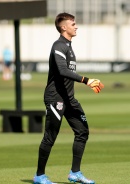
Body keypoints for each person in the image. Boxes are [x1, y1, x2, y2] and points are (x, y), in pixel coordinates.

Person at [33, 13, 104, 184]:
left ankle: (75, 173)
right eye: (73, 23)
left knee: (83, 131)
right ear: (63, 27)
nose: (76, 26)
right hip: (55, 98)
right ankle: (39, 176)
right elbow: (63, 71)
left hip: (69, 99)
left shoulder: (69, 47)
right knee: (50, 136)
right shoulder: (58, 45)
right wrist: (87, 80)